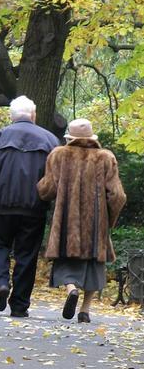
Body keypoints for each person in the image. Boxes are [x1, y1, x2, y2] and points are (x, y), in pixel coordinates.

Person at [0, 96, 59, 317]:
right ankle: (19, 306)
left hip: (1, 207)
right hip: (34, 208)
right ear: (33, 115)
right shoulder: (50, 140)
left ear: (11, 116)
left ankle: (0, 283)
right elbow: (56, 178)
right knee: (27, 255)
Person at [37, 118, 126, 323]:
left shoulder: (59, 155)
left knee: (65, 260)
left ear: (70, 137)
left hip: (67, 221)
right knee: (94, 265)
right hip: (97, 223)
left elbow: (47, 189)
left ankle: (71, 289)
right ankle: (85, 310)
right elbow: (118, 196)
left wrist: (42, 192)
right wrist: (109, 220)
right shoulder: (106, 157)